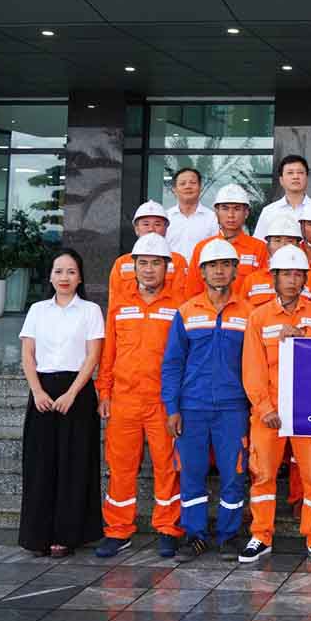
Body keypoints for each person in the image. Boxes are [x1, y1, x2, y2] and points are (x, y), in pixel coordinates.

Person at [241, 245, 311, 563]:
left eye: (298, 274)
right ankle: (261, 535)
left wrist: (304, 336)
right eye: (286, 274)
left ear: (306, 279)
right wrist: (264, 409)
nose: (292, 280)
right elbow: (252, 368)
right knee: (263, 475)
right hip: (269, 412)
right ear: (274, 278)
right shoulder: (259, 317)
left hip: (308, 411)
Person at [161, 239, 252, 563]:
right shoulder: (186, 312)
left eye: (226, 265)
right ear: (202, 272)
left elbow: (256, 363)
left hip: (233, 408)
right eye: (212, 266)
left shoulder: (248, 313)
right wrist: (172, 408)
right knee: (191, 474)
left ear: (235, 271)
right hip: (192, 408)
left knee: (234, 474)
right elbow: (172, 363)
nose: (219, 271)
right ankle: (195, 535)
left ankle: (229, 536)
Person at [95, 234, 185, 559]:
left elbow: (184, 357)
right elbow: (109, 351)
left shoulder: (179, 305)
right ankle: (118, 530)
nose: (149, 269)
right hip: (124, 400)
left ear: (167, 267)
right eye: (143, 263)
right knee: (120, 467)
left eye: (155, 263)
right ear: (133, 267)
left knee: (167, 467)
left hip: (163, 402)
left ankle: (168, 528)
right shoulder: (120, 305)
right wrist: (104, 391)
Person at [18, 249, 105, 558]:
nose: (64, 277)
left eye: (71, 271)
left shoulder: (90, 311)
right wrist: (37, 391)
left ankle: (68, 535)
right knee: (40, 464)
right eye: (58, 271)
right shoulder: (37, 310)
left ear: (80, 277)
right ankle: (37, 535)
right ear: (50, 276)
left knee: (75, 464)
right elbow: (28, 355)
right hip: (42, 391)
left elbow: (93, 356)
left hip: (77, 392)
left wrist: (72, 393)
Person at [185, 184, 268, 296]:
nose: (231, 215)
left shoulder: (259, 248)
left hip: (247, 307)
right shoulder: (202, 248)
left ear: (246, 213)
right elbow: (193, 292)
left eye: (237, 209)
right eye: (225, 208)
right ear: (216, 212)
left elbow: (263, 291)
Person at [108, 200, 188, 301]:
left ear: (166, 229)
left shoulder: (178, 261)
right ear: (136, 229)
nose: (151, 229)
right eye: (146, 224)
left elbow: (182, 300)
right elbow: (114, 301)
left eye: (157, 224)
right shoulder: (121, 263)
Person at [241, 215, 311, 307]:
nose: (283, 245)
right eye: (277, 241)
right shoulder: (252, 280)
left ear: (298, 246)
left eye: (289, 241)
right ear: (268, 246)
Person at [253, 155, 311, 241]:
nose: (295, 177)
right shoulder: (269, 211)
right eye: (290, 173)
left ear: (307, 178)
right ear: (281, 180)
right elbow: (259, 243)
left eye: (300, 172)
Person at [165, 167, 218, 259]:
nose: (188, 186)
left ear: (200, 187)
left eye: (193, 183)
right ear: (174, 189)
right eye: (182, 183)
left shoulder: (213, 218)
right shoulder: (165, 218)